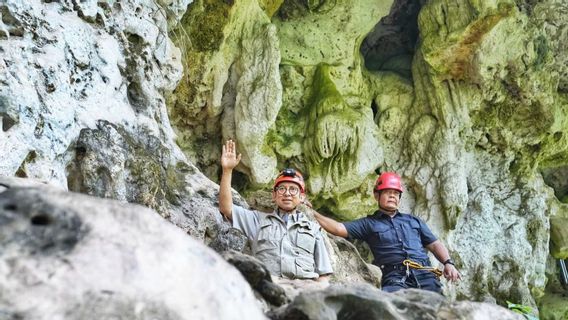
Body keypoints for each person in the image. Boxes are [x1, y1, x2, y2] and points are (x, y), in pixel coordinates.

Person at [313, 172, 460, 293]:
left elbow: (434, 245)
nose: (392, 196)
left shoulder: (413, 221)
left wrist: (448, 263)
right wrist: (311, 212)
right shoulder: (368, 224)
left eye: (396, 194)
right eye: (388, 192)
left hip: (425, 274)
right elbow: (338, 228)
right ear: (377, 195)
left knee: (439, 310)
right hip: (394, 276)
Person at [218, 140, 333, 281]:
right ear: (274, 195)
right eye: (282, 189)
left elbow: (324, 275)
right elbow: (226, 208)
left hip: (303, 289)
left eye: (293, 189)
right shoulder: (257, 220)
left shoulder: (314, 230)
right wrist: (227, 170)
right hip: (267, 287)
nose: (287, 193)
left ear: (302, 197)